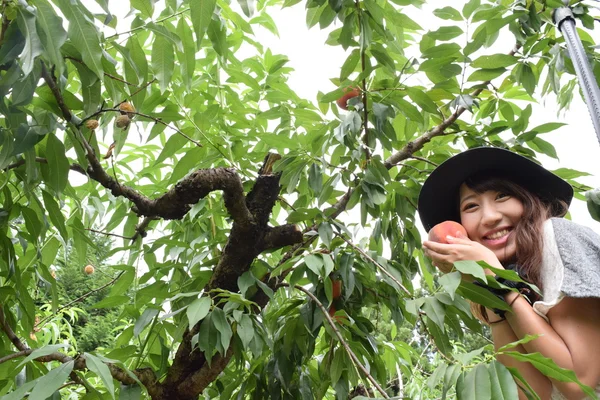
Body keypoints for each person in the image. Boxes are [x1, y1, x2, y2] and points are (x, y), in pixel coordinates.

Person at [418, 147, 600, 400]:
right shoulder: (516, 277)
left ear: (528, 199)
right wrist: (485, 286)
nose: (490, 217)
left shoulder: (558, 235)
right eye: (471, 206)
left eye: (502, 196)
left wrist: (498, 283)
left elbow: (579, 383)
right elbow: (532, 394)